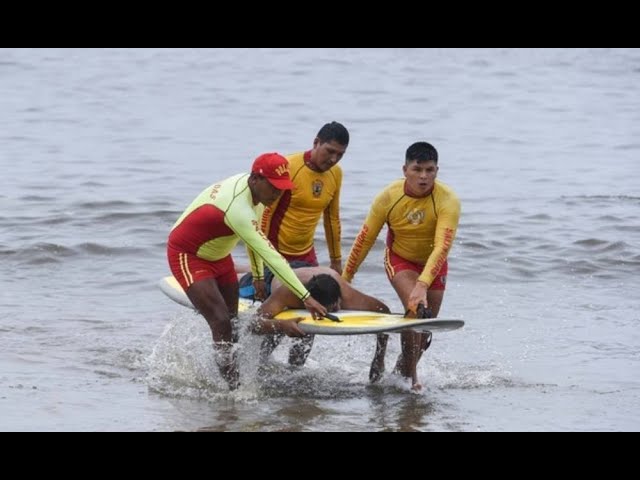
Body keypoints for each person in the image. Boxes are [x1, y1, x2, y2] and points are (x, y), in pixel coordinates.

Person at [167, 153, 327, 390]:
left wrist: (258, 276)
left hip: (220, 257)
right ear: (255, 179)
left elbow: (254, 240)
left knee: (231, 323)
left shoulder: (258, 197)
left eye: (282, 188)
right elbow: (273, 256)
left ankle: (227, 373)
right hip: (188, 254)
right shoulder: (238, 207)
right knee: (220, 320)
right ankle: (234, 391)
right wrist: (307, 297)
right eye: (274, 188)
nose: (278, 194)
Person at [343, 142, 461, 390]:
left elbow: (442, 247)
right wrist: (346, 277)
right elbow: (365, 238)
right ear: (405, 169)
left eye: (430, 170)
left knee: (425, 326)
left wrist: (423, 284)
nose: (423, 176)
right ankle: (413, 381)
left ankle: (402, 372)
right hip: (400, 259)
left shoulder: (448, 200)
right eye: (417, 169)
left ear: (437, 171)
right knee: (417, 310)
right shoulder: (388, 197)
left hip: (434, 263)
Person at [260, 122, 349, 363]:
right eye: (329, 151)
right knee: (280, 313)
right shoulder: (289, 168)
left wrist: (336, 262)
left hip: (307, 256)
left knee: (312, 317)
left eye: (340, 155)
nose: (333, 159)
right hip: (276, 254)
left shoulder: (335, 174)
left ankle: (295, 373)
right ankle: (259, 365)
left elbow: (332, 218)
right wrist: (262, 266)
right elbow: (265, 216)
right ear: (316, 143)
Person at [245, 266, 390, 366]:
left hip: (313, 271)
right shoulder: (288, 293)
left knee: (307, 330)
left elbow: (385, 313)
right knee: (266, 351)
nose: (338, 309)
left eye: (336, 305)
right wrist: (281, 326)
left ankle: (294, 372)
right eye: (331, 309)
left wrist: (379, 358)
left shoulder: (348, 295)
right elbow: (253, 324)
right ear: (310, 303)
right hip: (277, 275)